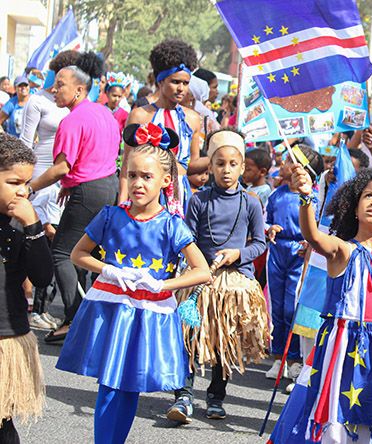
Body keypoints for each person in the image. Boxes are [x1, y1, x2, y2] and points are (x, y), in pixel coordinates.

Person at [54, 125, 210, 443]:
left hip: (148, 310)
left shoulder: (171, 225)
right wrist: (110, 271)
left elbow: (202, 270)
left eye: (147, 177)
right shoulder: (110, 216)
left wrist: (163, 285)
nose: (138, 183)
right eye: (132, 175)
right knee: (110, 386)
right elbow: (77, 254)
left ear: (166, 180)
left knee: (129, 387)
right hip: (112, 307)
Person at [268, 165, 372, 443]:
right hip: (340, 347)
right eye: (368, 195)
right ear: (355, 207)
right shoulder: (341, 249)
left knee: (369, 420)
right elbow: (312, 235)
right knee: (333, 418)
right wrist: (306, 197)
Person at [169, 129, 270, 423]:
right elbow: (186, 238)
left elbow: (259, 243)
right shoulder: (199, 200)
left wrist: (238, 254)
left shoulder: (251, 202)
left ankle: (216, 396)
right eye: (220, 163)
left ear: (242, 167)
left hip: (235, 283)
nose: (226, 170)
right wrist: (198, 268)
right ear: (210, 166)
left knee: (223, 342)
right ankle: (183, 395)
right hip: (201, 279)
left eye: (233, 164)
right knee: (189, 337)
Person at [29, 52, 120, 343]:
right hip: (108, 187)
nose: (54, 89)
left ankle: (75, 319)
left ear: (79, 89)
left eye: (60, 84)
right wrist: (70, 182)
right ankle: (81, 319)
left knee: (63, 253)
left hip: (88, 191)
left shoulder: (71, 120)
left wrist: (28, 187)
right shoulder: (104, 113)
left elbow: (60, 168)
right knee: (85, 253)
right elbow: (93, 158)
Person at [18, 50, 80, 330]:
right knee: (43, 236)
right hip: (41, 175)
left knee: (58, 242)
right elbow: (24, 141)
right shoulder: (38, 101)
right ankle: (32, 306)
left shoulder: (71, 103)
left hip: (63, 176)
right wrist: (24, 179)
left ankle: (45, 305)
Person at [0, 135, 53, 443]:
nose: (22, 190)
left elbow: (43, 277)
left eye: (27, 182)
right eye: (13, 181)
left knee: (4, 426)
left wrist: (34, 227)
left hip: (9, 336)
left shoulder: (23, 222)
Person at [123, 39, 205, 213]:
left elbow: (193, 163)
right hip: (145, 195)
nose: (181, 88)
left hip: (181, 196)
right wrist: (122, 205)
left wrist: (216, 157)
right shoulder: (140, 115)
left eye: (185, 83)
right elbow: (126, 166)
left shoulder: (193, 119)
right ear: (160, 82)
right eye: (175, 82)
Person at [264, 144, 324, 380]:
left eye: (289, 161)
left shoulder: (314, 197)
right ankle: (279, 358)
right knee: (276, 307)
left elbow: (317, 227)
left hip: (300, 254)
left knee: (293, 306)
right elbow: (265, 219)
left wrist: (310, 242)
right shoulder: (276, 194)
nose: (283, 165)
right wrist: (269, 229)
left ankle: (296, 358)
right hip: (278, 251)